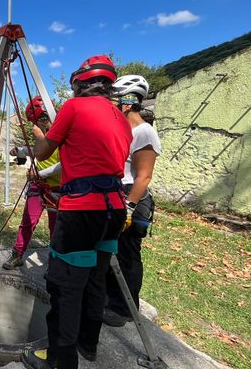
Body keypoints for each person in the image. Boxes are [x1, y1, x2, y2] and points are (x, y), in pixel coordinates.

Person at [21, 55, 132, 369]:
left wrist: (36, 142)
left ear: (79, 84)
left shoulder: (73, 108)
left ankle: (59, 359)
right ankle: (88, 344)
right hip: (113, 210)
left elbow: (44, 151)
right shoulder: (121, 118)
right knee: (96, 280)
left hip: (81, 211)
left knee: (65, 288)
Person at [103, 75, 162, 327]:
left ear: (127, 103)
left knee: (127, 255)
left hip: (132, 200)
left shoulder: (144, 132)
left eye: (116, 101)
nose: (114, 106)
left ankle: (125, 309)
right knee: (109, 252)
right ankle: (109, 299)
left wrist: (128, 208)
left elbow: (143, 176)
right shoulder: (123, 132)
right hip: (117, 194)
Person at [3, 96, 61, 270]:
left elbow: (64, 164)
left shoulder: (62, 135)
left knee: (55, 226)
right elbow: (38, 151)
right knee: (28, 220)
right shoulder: (43, 135)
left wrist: (39, 173)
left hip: (56, 188)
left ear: (43, 118)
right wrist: (20, 151)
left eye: (35, 121)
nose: (34, 125)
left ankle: (55, 262)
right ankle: (18, 254)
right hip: (38, 185)